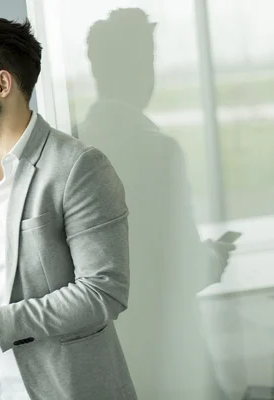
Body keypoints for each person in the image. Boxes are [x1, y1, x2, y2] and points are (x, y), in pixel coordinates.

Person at [0, 15, 136, 400]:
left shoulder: (78, 167)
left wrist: (0, 325)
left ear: (2, 84)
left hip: (69, 387)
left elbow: (103, 291)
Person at [79, 8, 235, 399]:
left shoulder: (72, 148)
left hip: (103, 352)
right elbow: (182, 268)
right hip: (165, 352)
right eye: (147, 61)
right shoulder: (157, 151)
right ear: (139, 70)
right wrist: (215, 257)